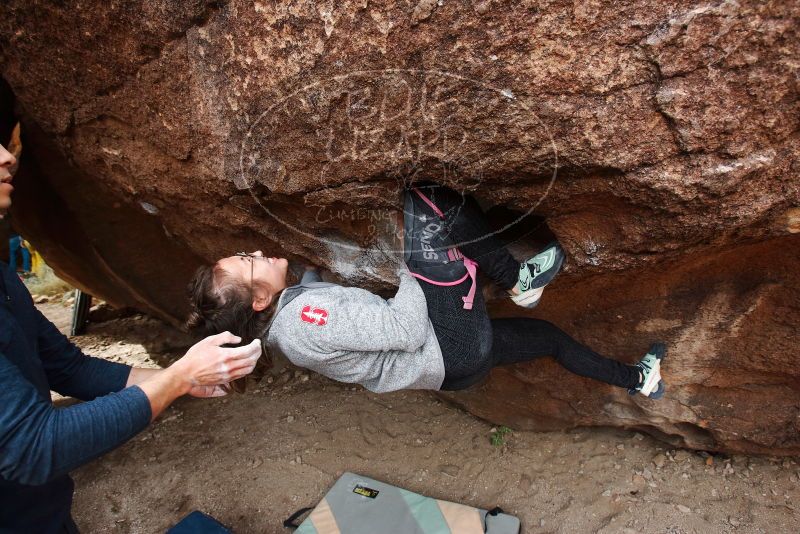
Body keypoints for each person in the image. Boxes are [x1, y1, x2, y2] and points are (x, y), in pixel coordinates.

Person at [0, 141, 263, 533]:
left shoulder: (3, 276)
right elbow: (33, 446)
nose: (7, 156)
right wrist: (178, 379)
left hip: (39, 510)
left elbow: (67, 367)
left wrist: (177, 377)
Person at [187, 183, 666, 398]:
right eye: (249, 263)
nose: (254, 252)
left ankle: (639, 381)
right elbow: (403, 326)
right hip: (442, 344)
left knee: (550, 340)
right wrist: (409, 267)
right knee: (426, 201)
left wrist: (310, 278)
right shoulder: (306, 320)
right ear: (260, 301)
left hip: (453, 367)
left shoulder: (292, 319)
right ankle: (517, 279)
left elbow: (318, 300)